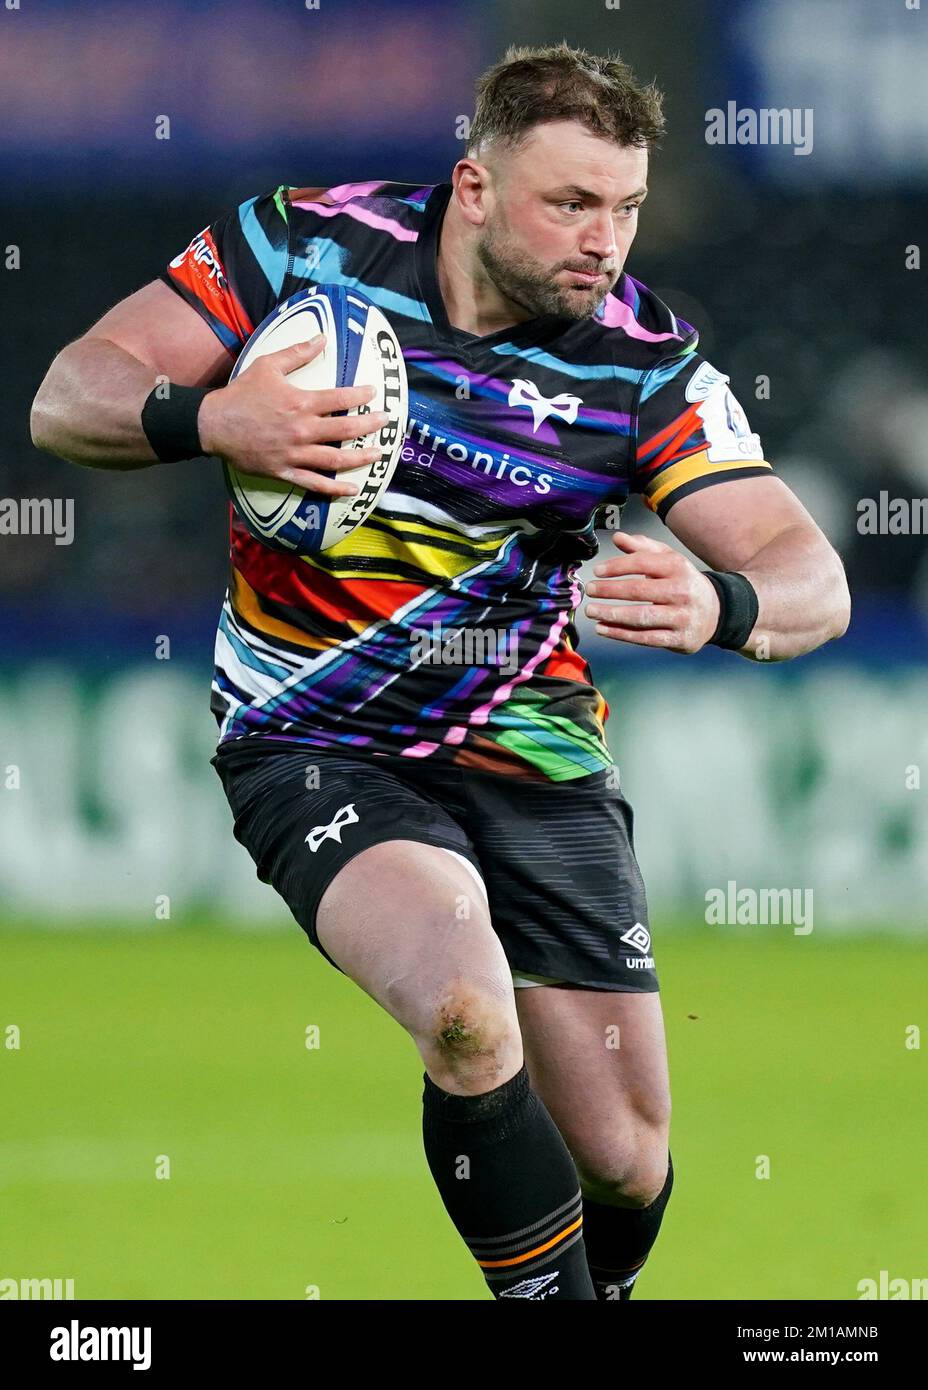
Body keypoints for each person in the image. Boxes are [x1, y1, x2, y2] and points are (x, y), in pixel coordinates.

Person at [31, 42, 850, 1301]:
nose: (604, 242)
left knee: (625, 1161)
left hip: (533, 748)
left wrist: (722, 599)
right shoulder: (298, 247)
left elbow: (814, 579)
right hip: (313, 736)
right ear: (473, 186)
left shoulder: (643, 361)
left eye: (624, 208)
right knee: (465, 1010)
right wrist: (212, 417)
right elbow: (67, 395)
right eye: (570, 203)